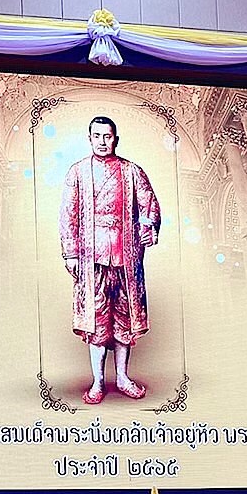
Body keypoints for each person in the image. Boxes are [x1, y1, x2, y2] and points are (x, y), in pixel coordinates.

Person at [59, 115, 161, 406]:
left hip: (126, 257)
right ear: (89, 138)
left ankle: (123, 378)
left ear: (115, 138)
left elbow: (149, 205)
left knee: (124, 319)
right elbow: (68, 214)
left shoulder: (132, 172)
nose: (102, 142)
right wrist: (70, 252)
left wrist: (148, 227)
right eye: (97, 136)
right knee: (96, 320)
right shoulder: (78, 172)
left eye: (107, 136)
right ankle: (98, 382)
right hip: (90, 259)